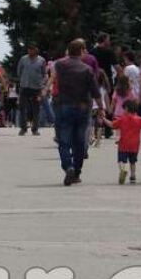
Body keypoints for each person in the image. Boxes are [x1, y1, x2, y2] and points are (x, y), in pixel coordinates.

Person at [55, 39, 101, 186]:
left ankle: (68, 166)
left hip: (65, 105)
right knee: (80, 142)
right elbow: (95, 91)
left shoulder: (60, 65)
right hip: (82, 107)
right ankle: (76, 172)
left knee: (64, 141)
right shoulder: (87, 69)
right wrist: (101, 107)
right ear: (81, 51)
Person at [103, 99, 141, 185]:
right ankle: (133, 175)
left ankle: (123, 170)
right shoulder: (139, 119)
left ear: (127, 109)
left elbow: (112, 124)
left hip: (123, 144)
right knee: (133, 162)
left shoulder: (122, 119)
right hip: (135, 145)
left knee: (121, 161)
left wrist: (104, 118)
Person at [17, 44, 46, 136]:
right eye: (29, 49)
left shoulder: (41, 60)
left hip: (36, 88)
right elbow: (19, 71)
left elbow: (44, 73)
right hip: (24, 86)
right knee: (22, 108)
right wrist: (22, 79)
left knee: (36, 109)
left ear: (36, 50)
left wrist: (41, 85)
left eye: (32, 49)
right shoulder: (23, 59)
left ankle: (35, 129)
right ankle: (23, 128)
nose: (30, 51)